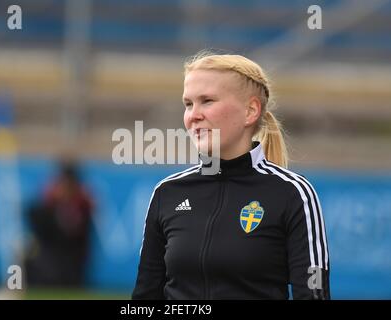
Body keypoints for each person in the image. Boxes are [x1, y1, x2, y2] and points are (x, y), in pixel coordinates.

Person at [132, 52, 330, 299]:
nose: (193, 115)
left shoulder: (293, 194)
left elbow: (312, 294)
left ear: (250, 111)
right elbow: (144, 298)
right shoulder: (167, 193)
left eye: (207, 101)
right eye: (188, 103)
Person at [25, 158, 95, 287]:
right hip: (50, 258)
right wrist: (52, 205)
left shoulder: (82, 203)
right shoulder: (50, 201)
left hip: (71, 263)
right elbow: (37, 224)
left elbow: (79, 236)